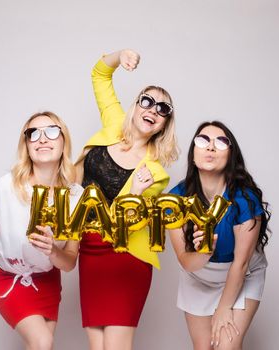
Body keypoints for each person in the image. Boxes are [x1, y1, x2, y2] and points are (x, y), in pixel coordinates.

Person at [75, 49, 179, 350]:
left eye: (163, 109)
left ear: (164, 124)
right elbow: (99, 75)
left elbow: (127, 226)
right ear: (135, 106)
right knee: (97, 346)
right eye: (147, 101)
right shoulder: (112, 123)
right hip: (88, 251)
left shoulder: (155, 173)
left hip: (125, 258)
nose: (153, 110)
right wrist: (120, 55)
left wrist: (134, 195)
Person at [0, 111, 83, 350]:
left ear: (63, 140)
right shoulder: (6, 186)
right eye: (33, 134)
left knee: (41, 346)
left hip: (47, 280)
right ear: (26, 145)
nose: (43, 138)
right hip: (6, 276)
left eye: (52, 131)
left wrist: (52, 252)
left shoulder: (76, 196)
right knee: (42, 342)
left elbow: (69, 263)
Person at [169, 121, 271, 350]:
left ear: (230, 156)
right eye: (203, 140)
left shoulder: (244, 199)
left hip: (242, 274)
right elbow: (185, 260)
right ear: (193, 155)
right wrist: (205, 253)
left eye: (221, 142)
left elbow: (242, 262)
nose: (211, 147)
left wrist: (225, 308)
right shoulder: (176, 199)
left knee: (227, 346)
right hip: (198, 276)